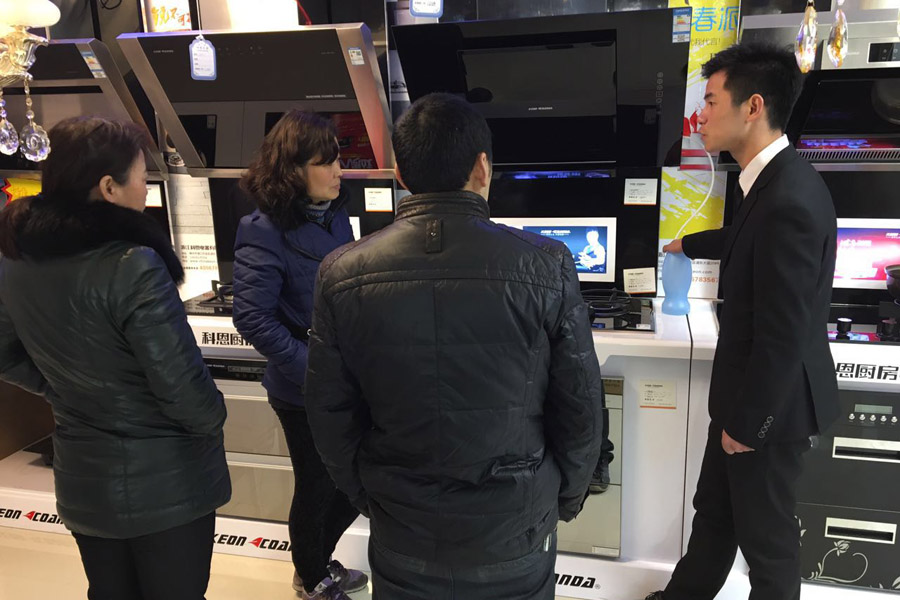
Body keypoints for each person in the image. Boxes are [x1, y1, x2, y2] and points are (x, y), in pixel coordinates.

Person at [304, 93, 606, 600]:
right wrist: (561, 501)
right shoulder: (547, 264)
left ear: (400, 174)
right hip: (514, 529)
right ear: (482, 168)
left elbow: (329, 414)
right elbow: (581, 407)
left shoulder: (341, 272)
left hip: (403, 527)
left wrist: (370, 498)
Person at [0, 116, 231, 600]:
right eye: (142, 178)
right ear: (108, 187)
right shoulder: (133, 264)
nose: (146, 190)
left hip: (84, 476)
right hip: (167, 484)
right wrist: (214, 416)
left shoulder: (15, 259)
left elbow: (5, 356)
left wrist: (62, 390)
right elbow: (186, 394)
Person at [646, 42, 839, 600]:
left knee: (768, 547)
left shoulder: (789, 199)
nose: (700, 116)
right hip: (743, 400)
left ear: (753, 107)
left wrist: (749, 428)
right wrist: (689, 243)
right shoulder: (771, 181)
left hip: (768, 411)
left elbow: (783, 334)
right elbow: (748, 238)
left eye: (710, 101)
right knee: (714, 515)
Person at [232, 110, 366, 600]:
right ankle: (312, 578)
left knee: (355, 481)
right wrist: (313, 373)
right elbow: (252, 317)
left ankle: (315, 562)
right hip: (302, 388)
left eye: (338, 160)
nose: (338, 172)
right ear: (292, 169)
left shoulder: (335, 216)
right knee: (318, 485)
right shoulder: (262, 229)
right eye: (324, 163)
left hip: (347, 381)